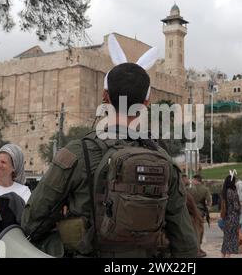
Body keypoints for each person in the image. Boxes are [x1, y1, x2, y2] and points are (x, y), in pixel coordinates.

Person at [21, 35, 197, 258]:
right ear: (146, 103)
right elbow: (185, 241)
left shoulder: (76, 154)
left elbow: (32, 222)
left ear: (105, 96)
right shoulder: (162, 158)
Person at [187, 174, 211, 257]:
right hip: (200, 212)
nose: (192, 181)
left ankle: (196, 249)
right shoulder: (205, 189)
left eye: (193, 180)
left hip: (191, 212)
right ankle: (198, 248)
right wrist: (207, 209)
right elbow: (209, 202)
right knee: (200, 230)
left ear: (196, 180)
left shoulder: (189, 190)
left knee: (194, 230)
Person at [220, 174, 241, 258]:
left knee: (226, 238)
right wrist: (240, 206)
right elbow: (236, 207)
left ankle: (223, 255)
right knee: (232, 237)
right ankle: (228, 256)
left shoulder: (224, 191)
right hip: (233, 217)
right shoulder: (233, 192)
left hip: (226, 217)